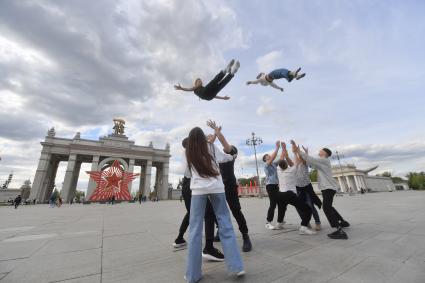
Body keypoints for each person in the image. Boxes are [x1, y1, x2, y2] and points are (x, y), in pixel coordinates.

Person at [184, 127, 244, 283]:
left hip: (197, 191)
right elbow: (225, 158)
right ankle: (236, 267)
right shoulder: (210, 146)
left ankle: (192, 275)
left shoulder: (188, 152)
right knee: (225, 224)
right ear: (203, 137)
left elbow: (188, 174)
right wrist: (234, 155)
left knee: (195, 230)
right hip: (217, 188)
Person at [173, 138, 225, 262]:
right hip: (192, 187)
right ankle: (208, 247)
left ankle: (180, 239)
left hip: (187, 187)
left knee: (193, 213)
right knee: (209, 214)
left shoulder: (188, 154)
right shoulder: (192, 154)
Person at [206, 120, 252, 252]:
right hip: (218, 186)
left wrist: (217, 132)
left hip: (230, 185)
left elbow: (224, 144)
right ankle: (220, 231)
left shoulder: (231, 152)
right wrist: (213, 137)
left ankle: (245, 236)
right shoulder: (216, 154)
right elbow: (209, 145)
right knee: (216, 211)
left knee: (235, 210)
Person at [292, 142, 350, 239]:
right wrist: (300, 154)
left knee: (326, 208)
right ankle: (343, 222)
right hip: (327, 188)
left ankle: (339, 230)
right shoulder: (322, 163)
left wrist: (298, 151)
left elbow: (311, 159)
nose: (319, 151)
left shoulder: (324, 160)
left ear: (325, 153)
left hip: (328, 188)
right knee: (328, 206)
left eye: (321, 150)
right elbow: (309, 163)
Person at [275, 142, 316, 235]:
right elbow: (297, 162)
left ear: (280, 166)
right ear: (286, 165)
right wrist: (294, 151)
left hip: (280, 194)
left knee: (281, 209)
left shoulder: (278, 170)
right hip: (289, 194)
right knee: (308, 209)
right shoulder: (291, 170)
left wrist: (283, 149)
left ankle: (279, 224)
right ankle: (304, 227)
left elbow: (281, 158)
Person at [290, 140, 322, 231]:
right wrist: (294, 147)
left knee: (311, 205)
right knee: (299, 207)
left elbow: (302, 157)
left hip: (307, 187)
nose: (297, 159)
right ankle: (306, 222)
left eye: (299, 157)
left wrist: (297, 148)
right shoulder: (294, 166)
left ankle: (317, 222)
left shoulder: (304, 165)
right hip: (298, 188)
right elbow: (295, 154)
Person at [174, 59, 240, 101]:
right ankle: (224, 71)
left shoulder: (203, 87)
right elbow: (189, 89)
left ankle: (231, 73)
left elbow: (214, 96)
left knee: (220, 86)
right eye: (199, 81)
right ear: (196, 83)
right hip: (205, 94)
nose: (200, 82)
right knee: (214, 81)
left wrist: (223, 98)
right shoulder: (195, 88)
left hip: (209, 97)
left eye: (200, 81)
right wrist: (181, 88)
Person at [263, 141, 286, 230]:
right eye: (266, 156)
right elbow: (274, 156)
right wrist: (277, 147)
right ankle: (268, 222)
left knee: (280, 202)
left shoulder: (274, 164)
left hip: (275, 186)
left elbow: (281, 158)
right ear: (265, 160)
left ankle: (280, 220)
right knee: (273, 204)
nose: (268, 156)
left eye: (268, 155)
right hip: (270, 186)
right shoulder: (266, 165)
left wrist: (283, 148)